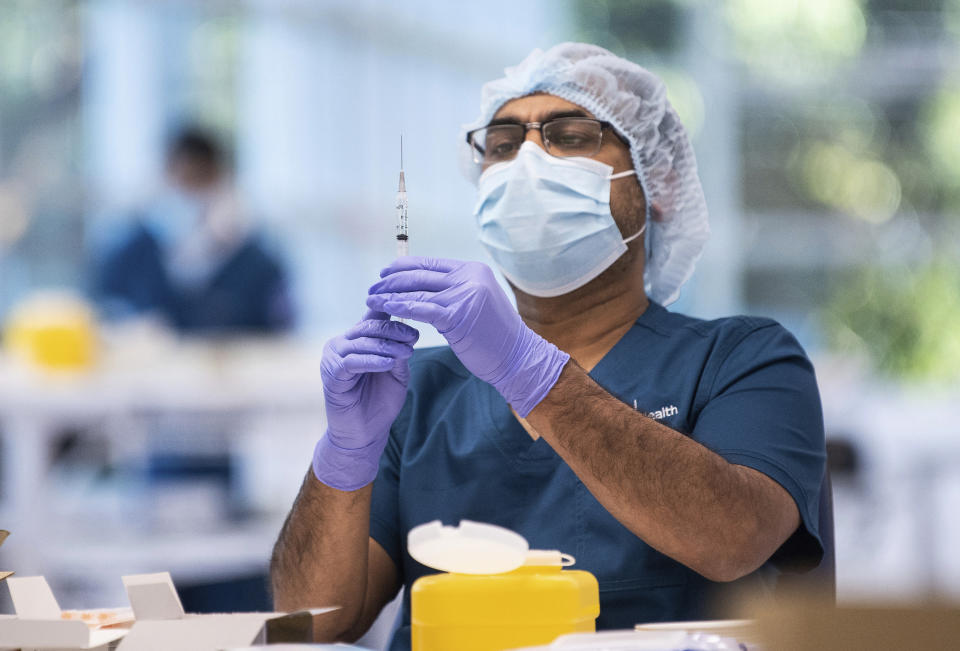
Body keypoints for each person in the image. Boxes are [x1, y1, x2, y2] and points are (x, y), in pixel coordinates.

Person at [270, 43, 826, 648]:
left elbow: (734, 538)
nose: (528, 162)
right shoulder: (419, 391)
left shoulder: (742, 360)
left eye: (571, 135)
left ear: (656, 183)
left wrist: (528, 373)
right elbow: (313, 622)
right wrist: (343, 457)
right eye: (504, 145)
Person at [92, 127, 293, 334]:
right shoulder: (129, 256)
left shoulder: (258, 264)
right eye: (181, 179)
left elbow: (277, 333)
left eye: (199, 179)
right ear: (164, 177)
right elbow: (103, 313)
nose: (187, 192)